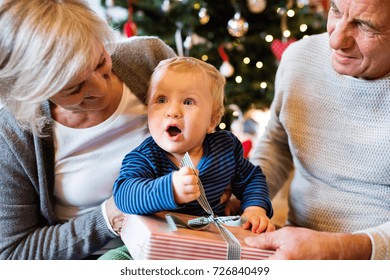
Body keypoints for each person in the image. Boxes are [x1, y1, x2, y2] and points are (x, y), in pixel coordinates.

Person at [0, 0, 176, 259]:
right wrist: (108, 217)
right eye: (74, 89)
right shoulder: (13, 134)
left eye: (100, 63)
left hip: (187, 239)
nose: (100, 90)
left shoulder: (150, 58)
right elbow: (13, 254)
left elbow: (206, 129)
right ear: (34, 91)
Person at [246, 0, 390, 259]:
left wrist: (338, 249)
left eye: (364, 25)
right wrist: (247, 197)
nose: (335, 41)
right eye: (335, 10)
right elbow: (278, 142)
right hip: (291, 248)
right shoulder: (299, 57)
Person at [113, 57, 274, 233]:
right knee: (114, 259)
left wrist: (254, 209)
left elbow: (252, 179)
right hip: (157, 241)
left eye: (188, 102)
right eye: (161, 100)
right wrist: (171, 189)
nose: (172, 112)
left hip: (211, 237)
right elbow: (124, 194)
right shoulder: (145, 157)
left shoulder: (225, 148)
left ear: (212, 120)